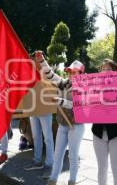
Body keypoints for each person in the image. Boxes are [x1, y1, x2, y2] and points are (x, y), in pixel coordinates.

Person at [35, 51, 85, 185]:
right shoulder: (63, 82)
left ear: (80, 73)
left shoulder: (84, 88)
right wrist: (42, 60)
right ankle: (53, 179)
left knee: (73, 155)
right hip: (63, 124)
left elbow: (77, 105)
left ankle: (72, 181)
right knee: (57, 155)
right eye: (70, 71)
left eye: (74, 72)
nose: (71, 74)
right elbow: (50, 74)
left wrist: (60, 101)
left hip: (76, 126)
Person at [91, 59, 117, 185]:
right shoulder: (92, 88)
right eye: (103, 69)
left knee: (116, 168)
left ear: (115, 72)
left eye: (109, 69)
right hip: (98, 133)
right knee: (101, 167)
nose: (105, 71)